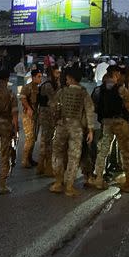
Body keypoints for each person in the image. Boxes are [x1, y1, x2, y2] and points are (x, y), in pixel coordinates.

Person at [89, 65, 129, 193]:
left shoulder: (99, 89)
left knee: (103, 150)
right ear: (115, 74)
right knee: (126, 151)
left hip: (106, 123)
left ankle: (98, 178)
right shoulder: (121, 89)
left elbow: (95, 107)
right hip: (120, 123)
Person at [49, 67, 94, 197]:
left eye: (67, 78)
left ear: (71, 78)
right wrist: (90, 130)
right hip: (76, 128)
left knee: (57, 153)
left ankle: (57, 183)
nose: (66, 79)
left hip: (62, 125)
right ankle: (69, 186)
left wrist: (56, 120)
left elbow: (53, 106)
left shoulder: (62, 91)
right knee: (74, 157)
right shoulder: (84, 93)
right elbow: (89, 111)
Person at [36, 65, 61, 177]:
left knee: (44, 141)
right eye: (56, 73)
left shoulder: (50, 84)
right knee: (48, 141)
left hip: (47, 114)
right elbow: (55, 100)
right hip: (48, 115)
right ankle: (48, 167)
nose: (58, 75)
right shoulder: (49, 86)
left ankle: (41, 166)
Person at [19, 69, 42, 168]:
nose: (40, 78)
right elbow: (23, 98)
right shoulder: (27, 87)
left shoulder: (38, 88)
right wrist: (28, 108)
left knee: (34, 138)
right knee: (30, 138)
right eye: (39, 76)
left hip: (35, 116)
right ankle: (24, 160)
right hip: (28, 116)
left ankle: (29, 158)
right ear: (33, 77)